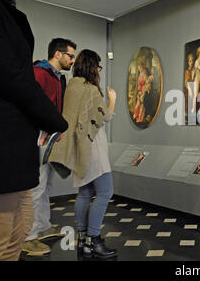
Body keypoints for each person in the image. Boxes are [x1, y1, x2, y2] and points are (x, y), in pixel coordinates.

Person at [0, 0, 68, 261]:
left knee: (19, 229)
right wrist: (53, 121)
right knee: (2, 237)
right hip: (3, 143)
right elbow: (11, 75)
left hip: (18, 142)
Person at [48, 49, 117, 259]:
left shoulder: (72, 86)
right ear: (91, 66)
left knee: (85, 194)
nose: (98, 70)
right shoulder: (90, 89)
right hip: (92, 146)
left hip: (78, 147)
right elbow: (106, 116)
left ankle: (83, 240)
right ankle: (94, 240)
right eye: (97, 65)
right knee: (105, 192)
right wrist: (112, 99)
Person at [22, 38, 77, 256]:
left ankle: (43, 226)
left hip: (49, 137)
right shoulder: (38, 73)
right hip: (36, 137)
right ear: (57, 54)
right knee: (35, 187)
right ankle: (29, 237)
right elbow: (33, 104)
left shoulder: (58, 78)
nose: (73, 60)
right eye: (70, 56)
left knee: (45, 185)